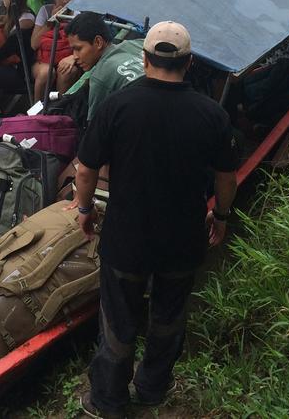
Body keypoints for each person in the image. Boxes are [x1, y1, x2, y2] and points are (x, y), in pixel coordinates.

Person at [73, 21, 239, 419]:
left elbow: (85, 169)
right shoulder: (211, 113)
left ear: (144, 59)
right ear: (189, 62)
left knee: (117, 321)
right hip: (182, 240)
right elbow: (226, 177)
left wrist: (83, 209)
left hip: (126, 239)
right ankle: (152, 388)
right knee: (168, 316)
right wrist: (221, 215)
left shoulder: (118, 106)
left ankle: (108, 400)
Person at [62, 11, 145, 125]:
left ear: (98, 42)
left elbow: (95, 128)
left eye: (78, 48)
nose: (75, 56)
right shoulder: (137, 44)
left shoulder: (100, 78)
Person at [30, 0, 77, 100]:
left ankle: (58, 110)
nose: (64, 1)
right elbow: (34, 44)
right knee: (46, 73)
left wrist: (73, 57)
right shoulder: (45, 11)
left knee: (66, 72)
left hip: (68, 57)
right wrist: (51, 21)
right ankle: (37, 113)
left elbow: (83, 44)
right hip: (44, 60)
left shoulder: (78, 15)